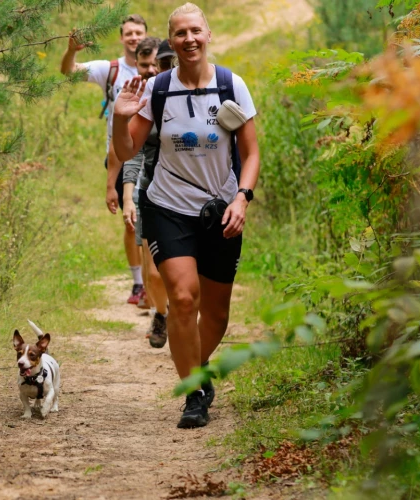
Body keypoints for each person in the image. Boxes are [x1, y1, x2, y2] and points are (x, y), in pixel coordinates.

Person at [111, 2, 260, 429]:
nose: (189, 39)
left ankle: (197, 367)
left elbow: (250, 154)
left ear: (208, 35)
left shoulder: (232, 85)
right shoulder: (158, 89)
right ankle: (193, 395)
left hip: (221, 211)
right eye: (180, 33)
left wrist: (242, 199)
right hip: (168, 206)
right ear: (171, 41)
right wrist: (122, 121)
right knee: (181, 298)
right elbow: (126, 153)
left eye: (196, 31)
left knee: (215, 314)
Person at [61, 14, 148, 305]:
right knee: (131, 220)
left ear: (146, 35)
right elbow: (68, 72)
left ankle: (154, 282)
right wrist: (72, 50)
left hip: (154, 153)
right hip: (120, 153)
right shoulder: (110, 70)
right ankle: (139, 284)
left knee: (152, 219)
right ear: (122, 38)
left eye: (139, 33)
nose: (134, 38)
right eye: (129, 33)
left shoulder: (159, 67)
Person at [119, 37, 169, 348]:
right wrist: (127, 195)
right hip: (151, 190)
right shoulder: (142, 100)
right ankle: (162, 313)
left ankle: (181, 314)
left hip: (194, 193)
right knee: (155, 272)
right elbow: (131, 152)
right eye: (148, 65)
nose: (153, 71)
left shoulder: (184, 93)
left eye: (159, 65)